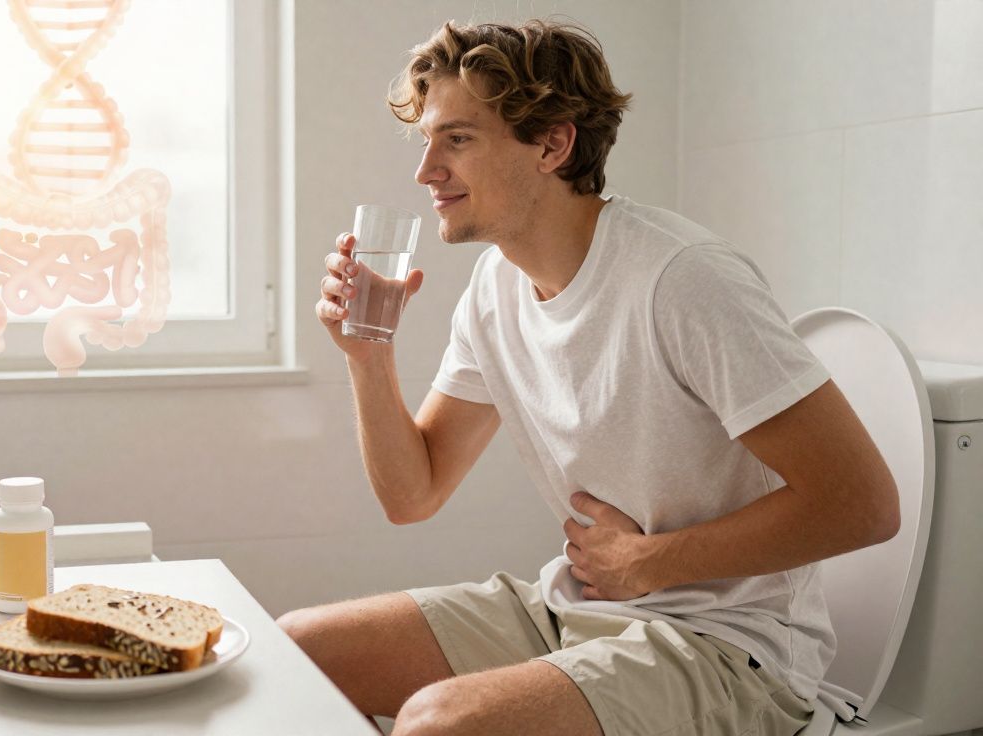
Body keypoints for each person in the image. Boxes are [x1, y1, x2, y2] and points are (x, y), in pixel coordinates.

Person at [279, 18, 901, 736]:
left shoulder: (682, 278)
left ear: (553, 145)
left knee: (439, 723)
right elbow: (412, 495)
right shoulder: (494, 287)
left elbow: (864, 505)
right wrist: (367, 356)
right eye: (427, 141)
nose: (426, 171)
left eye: (458, 139)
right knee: (295, 652)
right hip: (580, 606)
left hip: (728, 648)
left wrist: (647, 564)